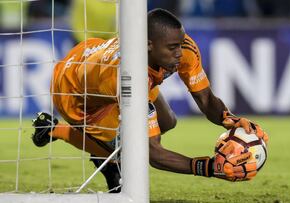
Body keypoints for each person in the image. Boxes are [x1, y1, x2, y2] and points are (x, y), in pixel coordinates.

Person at [31, 8, 269, 193]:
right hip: (75, 93)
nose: (179, 54)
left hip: (95, 59)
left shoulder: (183, 49)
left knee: (168, 122)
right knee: (130, 149)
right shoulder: (127, 77)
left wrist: (231, 120)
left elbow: (205, 99)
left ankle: (106, 150)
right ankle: (54, 130)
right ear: (148, 45)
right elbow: (152, 154)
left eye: (180, 44)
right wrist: (209, 168)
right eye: (172, 48)